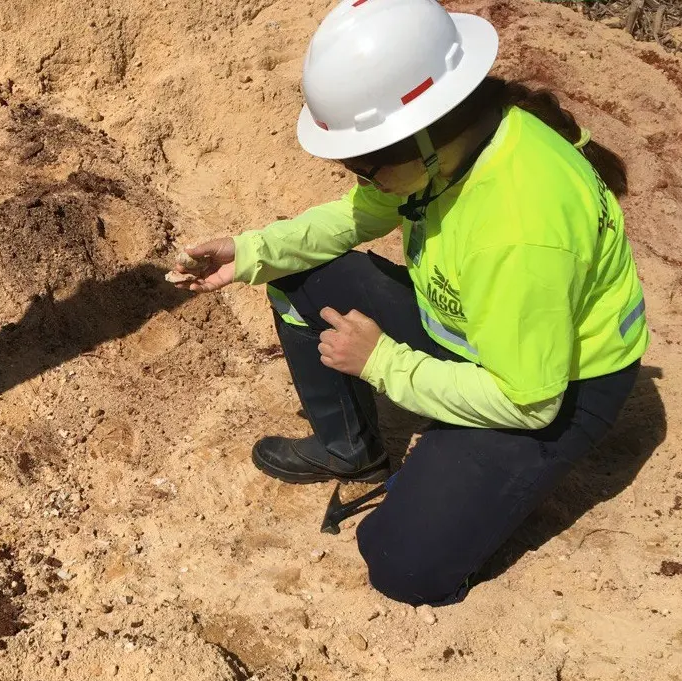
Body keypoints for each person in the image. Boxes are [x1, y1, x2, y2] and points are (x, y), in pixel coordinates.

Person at [168, 0, 649, 605]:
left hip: (554, 389)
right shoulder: (449, 152)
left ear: (424, 134)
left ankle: (469, 484)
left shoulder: (519, 228)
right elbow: (357, 216)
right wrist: (252, 251)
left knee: (402, 566)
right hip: (477, 338)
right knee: (298, 278)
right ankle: (352, 447)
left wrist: (383, 364)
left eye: (363, 164)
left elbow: (530, 403)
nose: (355, 177)